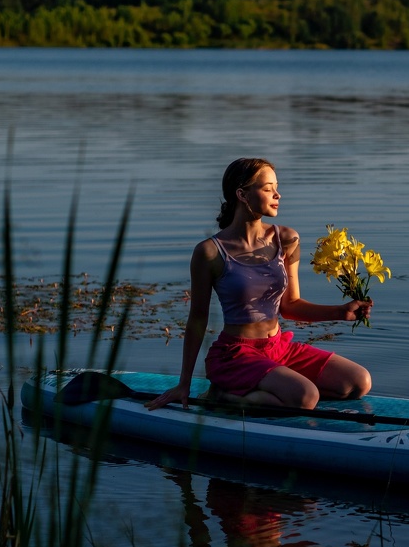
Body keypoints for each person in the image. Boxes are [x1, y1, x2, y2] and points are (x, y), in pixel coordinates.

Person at [146, 158, 372, 412]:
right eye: (267, 188)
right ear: (242, 194)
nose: (278, 194)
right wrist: (183, 384)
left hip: (279, 348)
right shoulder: (209, 252)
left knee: (357, 382)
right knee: (305, 397)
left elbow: (290, 306)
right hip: (236, 355)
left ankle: (277, 390)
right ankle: (222, 395)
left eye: (276, 186)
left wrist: (341, 312)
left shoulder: (287, 239)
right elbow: (198, 319)